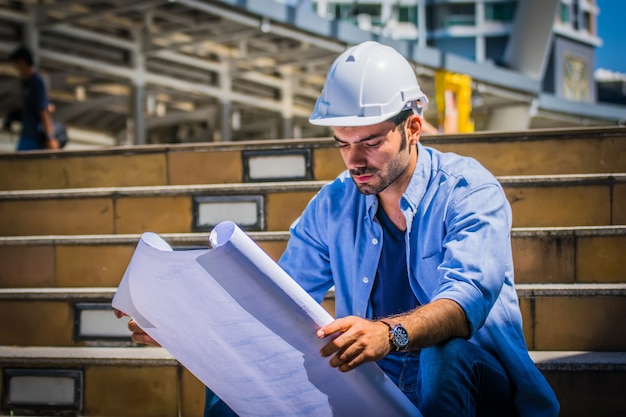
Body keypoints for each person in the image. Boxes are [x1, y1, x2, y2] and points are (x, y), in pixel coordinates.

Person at [121, 41, 559, 417]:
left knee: (445, 355)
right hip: (376, 387)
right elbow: (279, 303)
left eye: (370, 143)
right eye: (343, 144)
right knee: (236, 366)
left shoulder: (469, 190)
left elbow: (466, 303)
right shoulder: (333, 203)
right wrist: (181, 324)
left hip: (475, 387)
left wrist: (389, 335)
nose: (354, 161)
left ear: (413, 128)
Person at [5, 46, 59, 151]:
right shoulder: (26, 83)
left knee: (23, 163)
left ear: (22, 62)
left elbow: (43, 110)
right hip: (27, 133)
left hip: (35, 136)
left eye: (16, 63)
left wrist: (50, 138)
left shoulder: (37, 82)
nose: (15, 67)